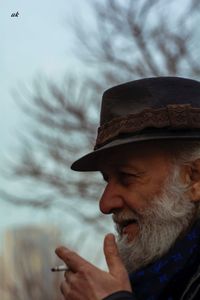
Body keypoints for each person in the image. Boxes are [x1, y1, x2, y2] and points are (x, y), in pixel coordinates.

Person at [55, 77, 200, 300]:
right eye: (107, 180)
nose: (105, 204)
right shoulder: (158, 279)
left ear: (194, 178)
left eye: (127, 177)